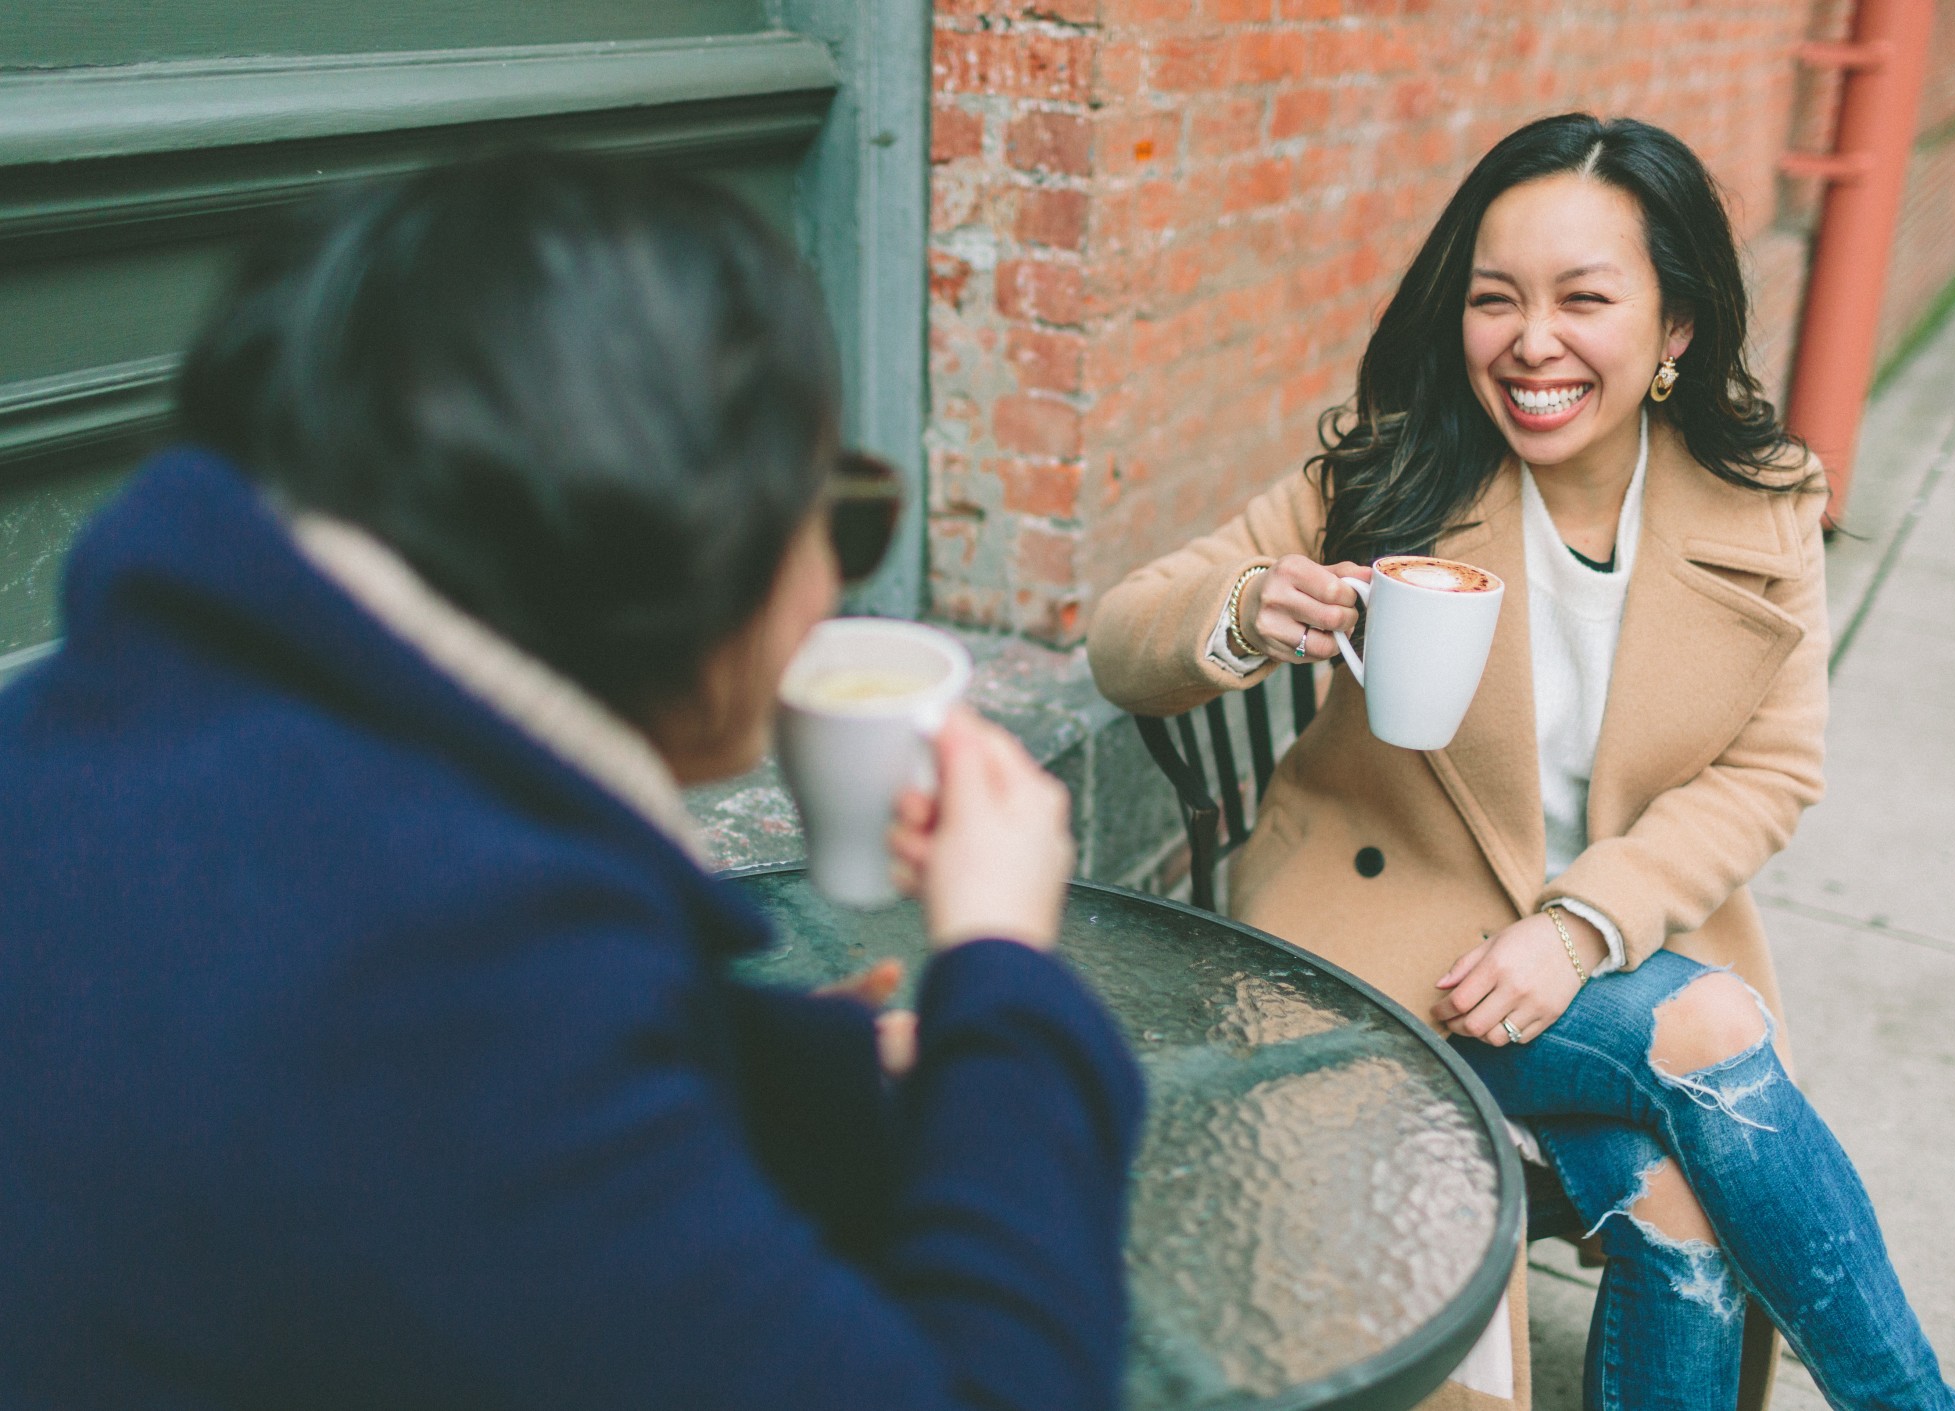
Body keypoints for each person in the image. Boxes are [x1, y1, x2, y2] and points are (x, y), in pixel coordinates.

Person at [0, 152, 1141, 1410]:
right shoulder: (463, 968)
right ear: (678, 531)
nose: (837, 583)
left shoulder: (110, 732)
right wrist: (1004, 967)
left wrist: (762, 1065)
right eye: (835, 513)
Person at [1089, 115, 1955, 1411]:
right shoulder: (1390, 469)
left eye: (1583, 299)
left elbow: (1771, 770)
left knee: (1674, 1193)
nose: (1530, 340)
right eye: (1494, 298)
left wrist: (1578, 923)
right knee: (1712, 1026)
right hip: (1379, 938)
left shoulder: (1764, 498)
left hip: (1605, 946)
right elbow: (1123, 640)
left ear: (1673, 328)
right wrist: (1239, 609)